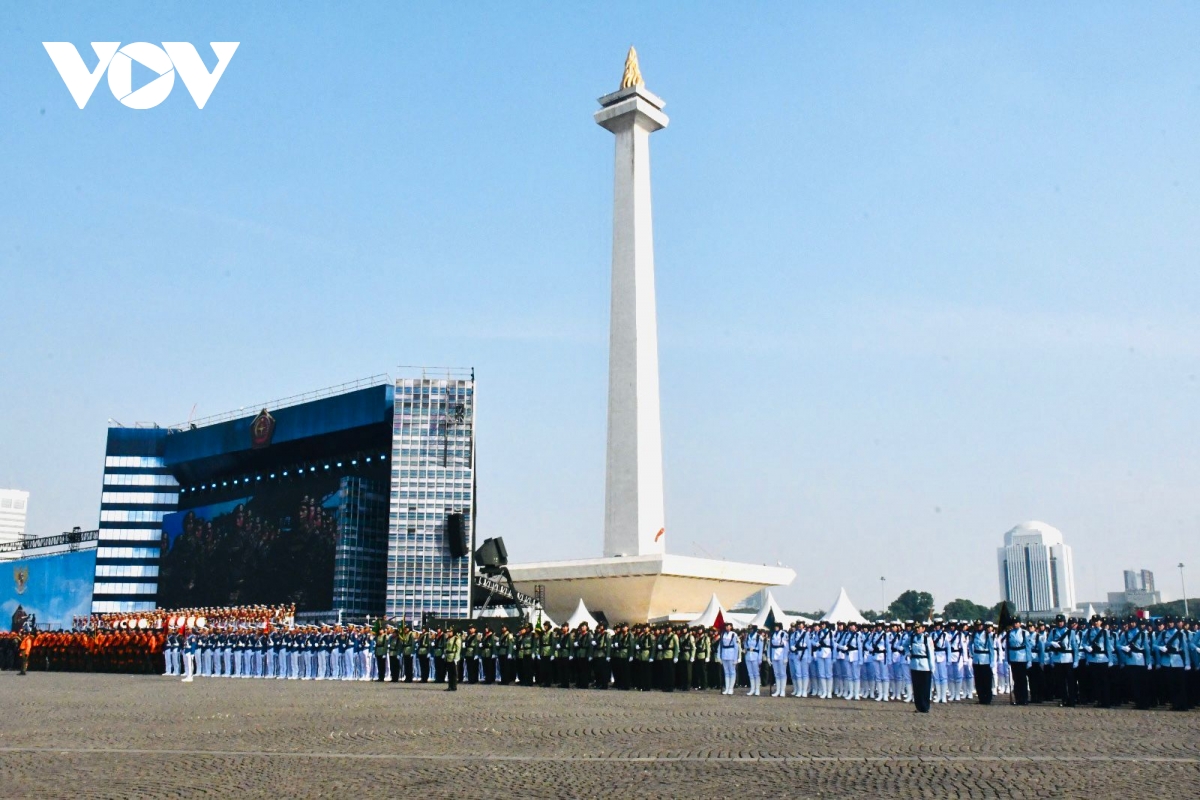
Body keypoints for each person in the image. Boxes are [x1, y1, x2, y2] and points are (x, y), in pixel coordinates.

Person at [907, 620, 934, 713]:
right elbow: (905, 646)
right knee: (917, 687)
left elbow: (931, 653)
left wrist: (932, 667)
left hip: (925, 665)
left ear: (923, 628)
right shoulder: (912, 637)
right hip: (915, 665)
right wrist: (908, 653)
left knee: (925, 687)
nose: (917, 629)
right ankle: (918, 706)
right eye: (916, 628)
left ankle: (925, 706)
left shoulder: (927, 638)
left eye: (919, 628)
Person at [1005, 619, 1031, 705]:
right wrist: (1006, 659)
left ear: (1020, 623)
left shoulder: (1024, 633)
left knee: (1022, 679)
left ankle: (1024, 699)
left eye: (1017, 623)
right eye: (1014, 623)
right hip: (1013, 658)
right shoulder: (1009, 633)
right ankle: (1018, 698)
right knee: (1015, 679)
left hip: (1022, 658)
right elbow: (1007, 647)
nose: (1015, 624)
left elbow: (1028, 647)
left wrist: (1029, 660)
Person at [970, 620, 994, 704]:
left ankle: (988, 698)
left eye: (980, 625)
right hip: (977, 659)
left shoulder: (987, 634)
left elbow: (991, 649)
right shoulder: (974, 634)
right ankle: (981, 698)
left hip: (986, 659)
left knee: (986, 680)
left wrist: (992, 661)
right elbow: (970, 644)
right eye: (977, 625)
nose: (978, 627)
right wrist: (971, 653)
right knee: (978, 680)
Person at [717, 622, 740, 695]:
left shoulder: (734, 634)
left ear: (731, 627)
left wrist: (736, 658)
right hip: (724, 654)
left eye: (728, 626)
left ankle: (731, 688)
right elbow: (720, 645)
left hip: (731, 654)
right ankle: (726, 688)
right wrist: (719, 655)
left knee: (732, 672)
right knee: (726, 672)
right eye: (726, 626)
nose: (727, 627)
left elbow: (736, 647)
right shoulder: (723, 634)